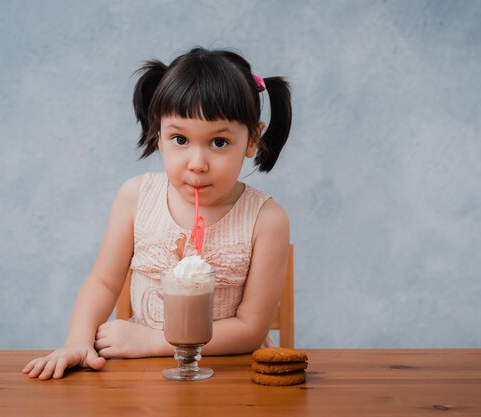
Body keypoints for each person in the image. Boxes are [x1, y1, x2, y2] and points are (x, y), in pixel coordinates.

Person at [22, 47, 292, 380]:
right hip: (141, 374)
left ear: (252, 140)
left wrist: (154, 341)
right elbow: (103, 282)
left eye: (219, 143)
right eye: (180, 138)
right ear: (159, 135)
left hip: (228, 374)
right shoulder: (136, 197)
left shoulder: (267, 220)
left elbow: (250, 329)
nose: (196, 163)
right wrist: (78, 340)